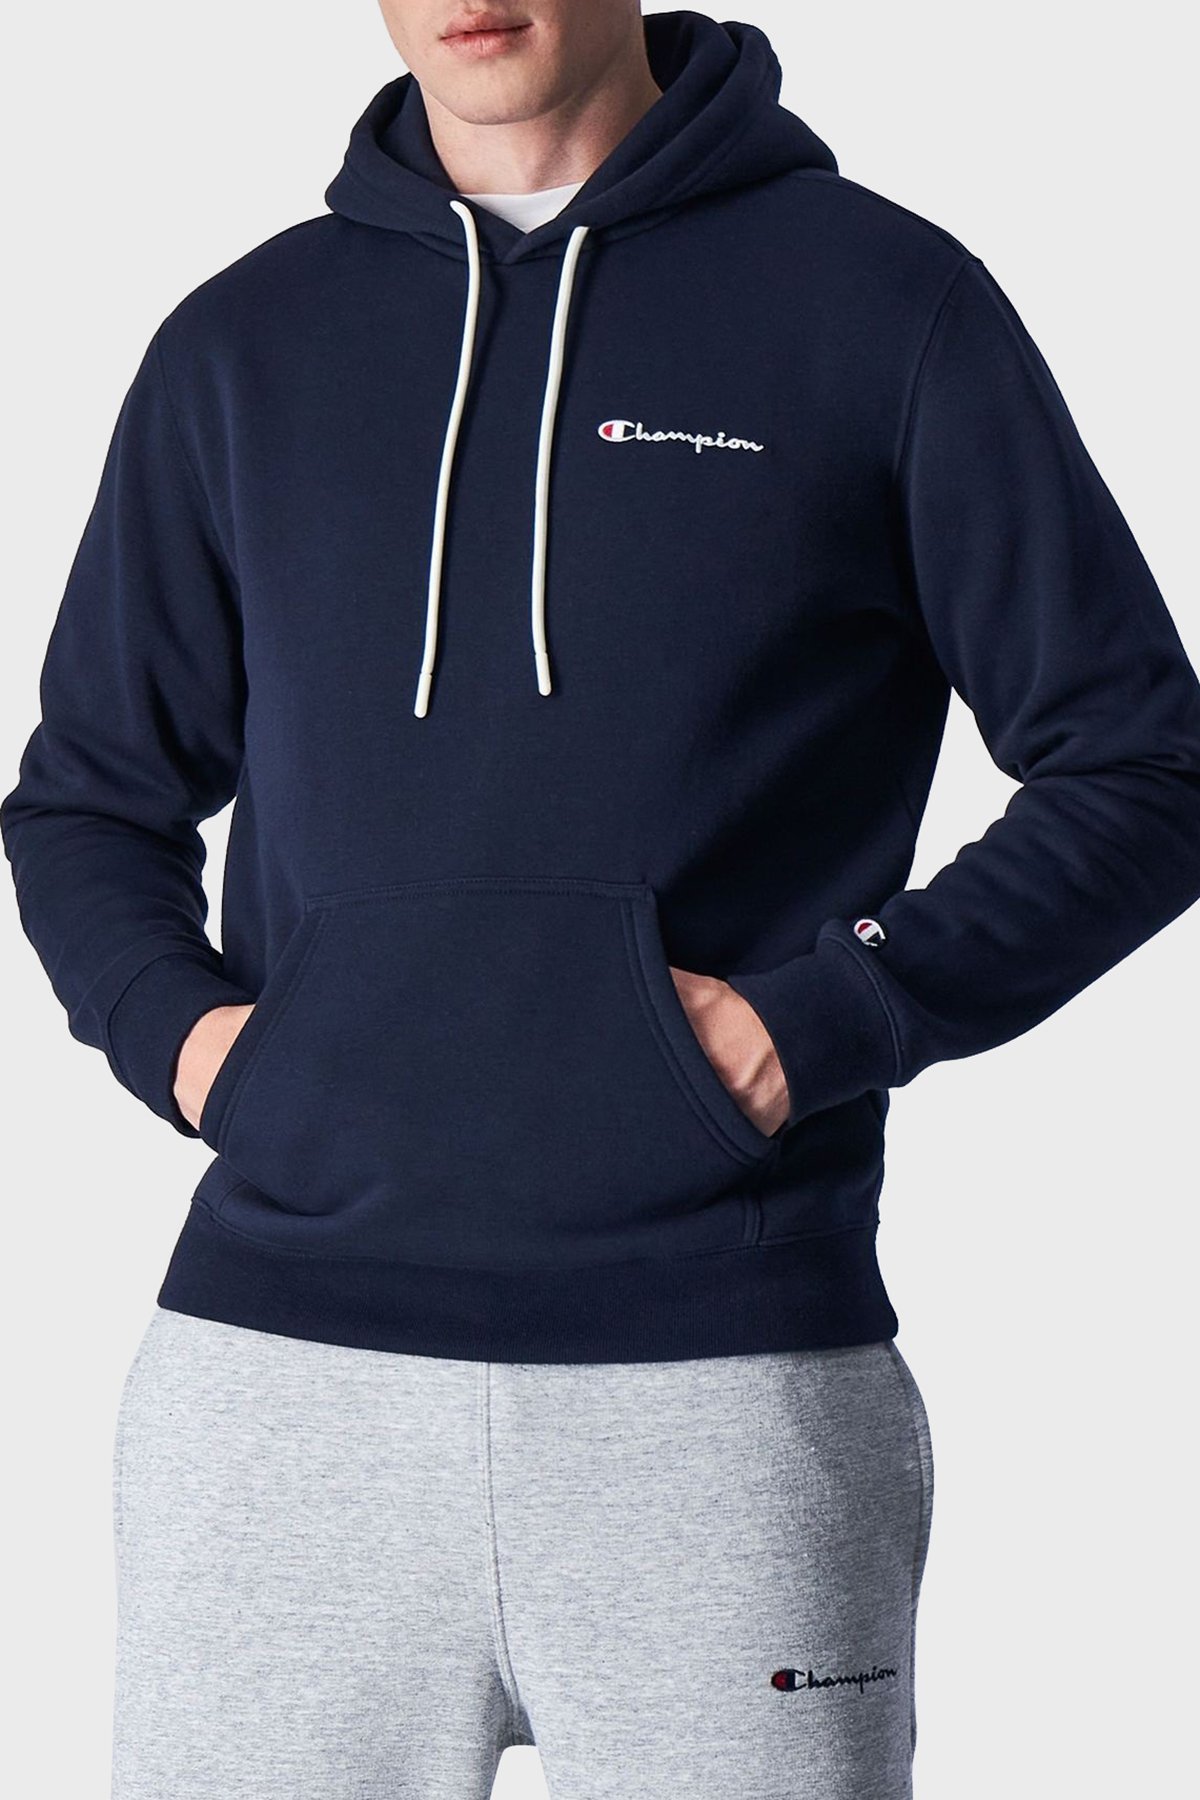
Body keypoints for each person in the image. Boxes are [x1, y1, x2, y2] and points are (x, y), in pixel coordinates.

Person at [4, 4, 1199, 1796]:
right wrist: (205, 1051)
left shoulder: (885, 305)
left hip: (724, 1396)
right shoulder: (241, 345)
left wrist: (825, 1019)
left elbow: (1143, 766)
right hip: (277, 1395)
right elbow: (89, 797)